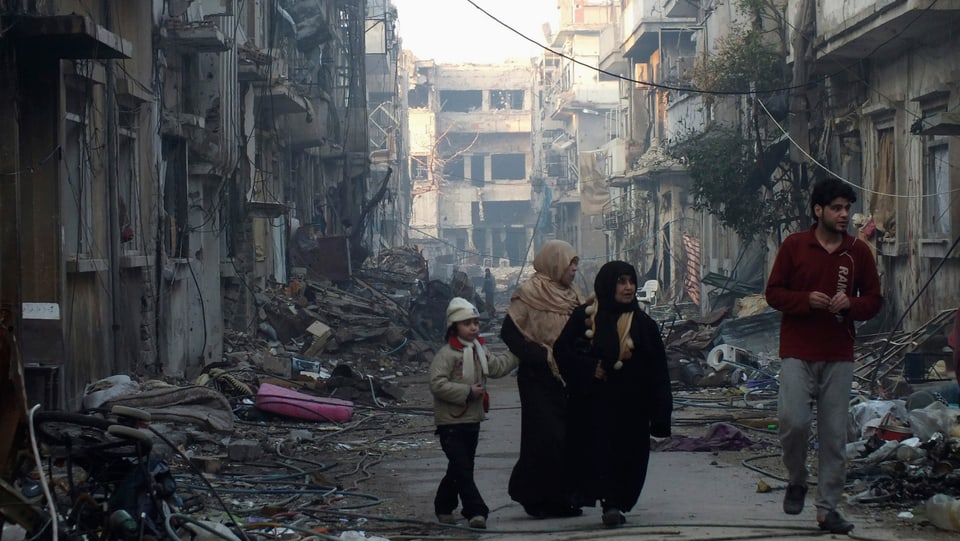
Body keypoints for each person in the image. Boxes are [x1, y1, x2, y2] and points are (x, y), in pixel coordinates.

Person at [765, 177, 882, 534]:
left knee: (834, 436)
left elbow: (874, 301)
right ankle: (797, 479)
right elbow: (773, 293)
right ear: (819, 211)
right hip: (798, 351)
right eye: (837, 208)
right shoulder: (794, 246)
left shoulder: (857, 252)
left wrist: (851, 304)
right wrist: (805, 300)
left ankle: (827, 509)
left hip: (838, 353)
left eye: (848, 208)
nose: (845, 214)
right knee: (793, 422)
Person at [553, 260, 673, 527]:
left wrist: (661, 416)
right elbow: (562, 351)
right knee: (597, 455)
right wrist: (588, 368)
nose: (628, 287)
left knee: (628, 459)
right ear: (609, 284)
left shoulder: (644, 325)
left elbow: (659, 373)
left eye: (631, 281)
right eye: (621, 281)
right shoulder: (585, 317)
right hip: (592, 406)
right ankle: (607, 501)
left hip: (632, 409)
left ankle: (616, 503)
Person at [500, 240, 584, 518]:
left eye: (575, 264)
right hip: (538, 378)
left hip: (568, 377)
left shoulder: (573, 296)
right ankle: (534, 497)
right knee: (544, 439)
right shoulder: (529, 293)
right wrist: (539, 355)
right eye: (570, 263)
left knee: (569, 438)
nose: (574, 269)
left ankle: (562, 499)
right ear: (555, 263)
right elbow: (509, 333)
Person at [429, 297, 519, 529]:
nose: (473, 328)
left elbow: (496, 367)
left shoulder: (479, 349)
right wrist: (467, 391)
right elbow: (437, 384)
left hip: (472, 419)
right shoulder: (447, 355)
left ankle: (443, 506)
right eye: (467, 323)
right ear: (454, 327)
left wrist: (518, 353)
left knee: (460, 467)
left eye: (475, 323)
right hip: (450, 421)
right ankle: (476, 511)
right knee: (462, 468)